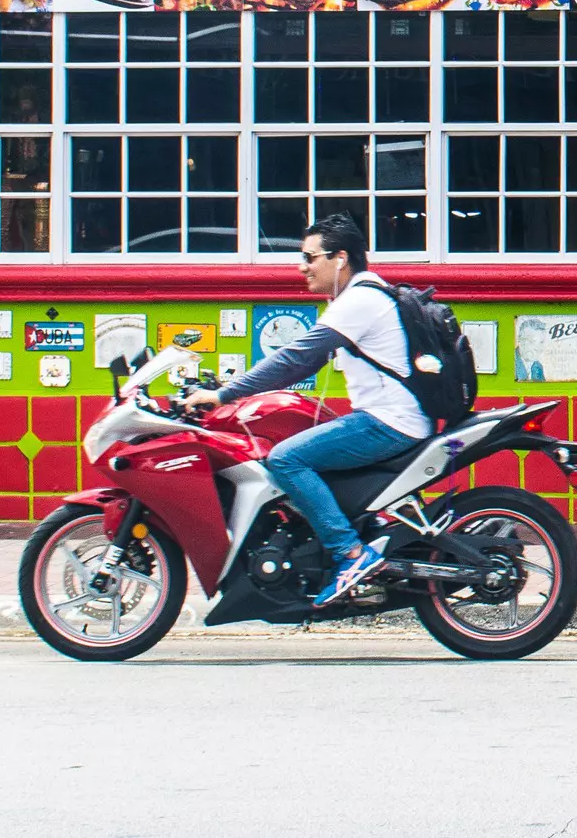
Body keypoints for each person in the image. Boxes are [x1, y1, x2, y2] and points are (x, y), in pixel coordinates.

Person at [183, 214, 431, 604]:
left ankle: (350, 554)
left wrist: (224, 395)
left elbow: (294, 358)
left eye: (309, 258)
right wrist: (236, 389)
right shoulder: (362, 297)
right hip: (391, 418)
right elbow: (303, 364)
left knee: (285, 459)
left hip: (388, 423)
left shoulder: (359, 300)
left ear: (341, 258)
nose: (302, 268)